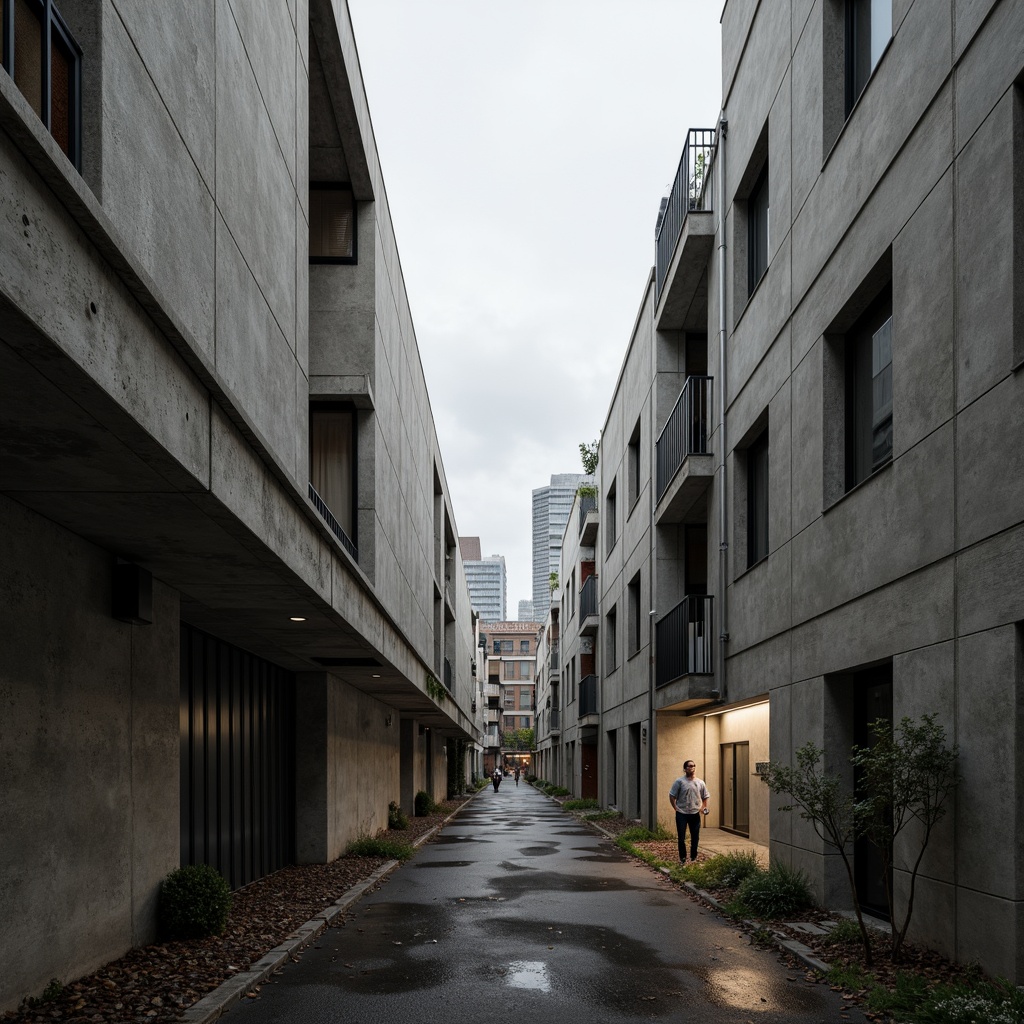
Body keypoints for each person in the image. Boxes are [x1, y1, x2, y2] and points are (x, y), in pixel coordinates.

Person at [668, 759, 709, 863]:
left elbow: (705, 796)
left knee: (695, 837)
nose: (692, 768)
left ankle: (693, 857)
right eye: (690, 766)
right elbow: (672, 795)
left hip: (695, 813)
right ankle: (682, 858)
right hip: (682, 813)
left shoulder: (700, 782)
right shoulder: (679, 782)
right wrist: (675, 808)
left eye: (693, 766)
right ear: (685, 769)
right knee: (681, 837)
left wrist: (703, 807)